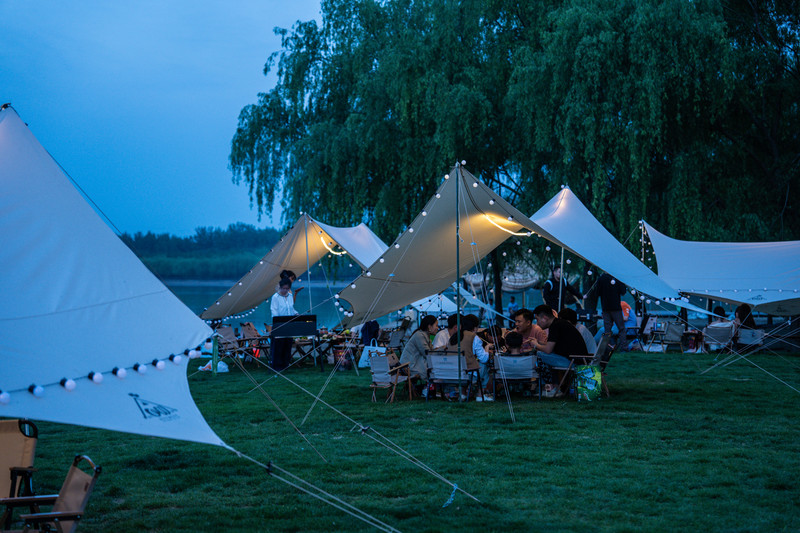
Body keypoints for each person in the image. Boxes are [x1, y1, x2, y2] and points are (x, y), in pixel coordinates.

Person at [531, 305, 589, 396]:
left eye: (537, 319)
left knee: (539, 355)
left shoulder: (555, 326)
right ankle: (554, 386)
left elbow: (548, 350)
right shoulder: (559, 323)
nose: (537, 323)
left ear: (545, 318)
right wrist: (539, 343)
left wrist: (536, 345)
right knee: (544, 355)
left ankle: (551, 388)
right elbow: (552, 346)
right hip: (579, 360)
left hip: (574, 362)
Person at [450, 314, 494, 401]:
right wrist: (487, 348)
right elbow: (484, 358)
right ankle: (480, 395)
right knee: (483, 364)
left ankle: (463, 394)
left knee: (464, 364)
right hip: (468, 375)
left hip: (453, 374)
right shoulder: (474, 338)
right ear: (475, 327)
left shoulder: (453, 337)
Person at [590, 272, 628, 351]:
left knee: (607, 330)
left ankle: (609, 348)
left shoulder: (601, 278)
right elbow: (623, 291)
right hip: (616, 308)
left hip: (606, 308)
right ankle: (623, 348)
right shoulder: (617, 278)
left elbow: (597, 293)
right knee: (621, 328)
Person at [270, 277, 298, 371]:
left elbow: (291, 309)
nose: (285, 290)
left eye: (287, 288)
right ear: (280, 287)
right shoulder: (275, 297)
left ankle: (285, 364)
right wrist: (279, 322)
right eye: (284, 288)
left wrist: (296, 313)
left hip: (289, 325)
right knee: (279, 346)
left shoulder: (290, 296)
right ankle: (277, 366)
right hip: (279, 324)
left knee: (287, 345)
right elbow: (274, 311)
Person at [399, 315, 438, 383]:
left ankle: (432, 389)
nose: (437, 328)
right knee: (436, 369)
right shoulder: (419, 335)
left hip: (414, 363)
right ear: (429, 327)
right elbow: (427, 354)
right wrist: (440, 349)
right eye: (436, 325)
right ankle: (431, 389)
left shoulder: (424, 336)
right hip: (409, 366)